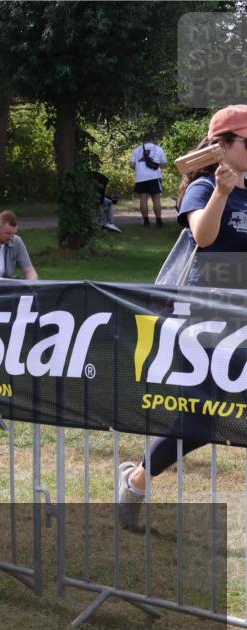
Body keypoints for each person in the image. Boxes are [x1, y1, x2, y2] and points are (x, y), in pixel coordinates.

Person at [117, 105, 247, 530]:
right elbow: (204, 237)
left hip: (243, 318)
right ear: (222, 146)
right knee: (198, 420)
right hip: (206, 324)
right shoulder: (204, 188)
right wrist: (222, 193)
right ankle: (136, 480)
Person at [129, 132, 168, 227]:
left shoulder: (136, 150)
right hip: (154, 176)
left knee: (143, 198)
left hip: (141, 177)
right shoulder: (158, 149)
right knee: (156, 199)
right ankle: (159, 221)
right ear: (153, 140)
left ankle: (146, 222)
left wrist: (139, 169)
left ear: (144, 140)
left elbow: (132, 164)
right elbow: (163, 165)